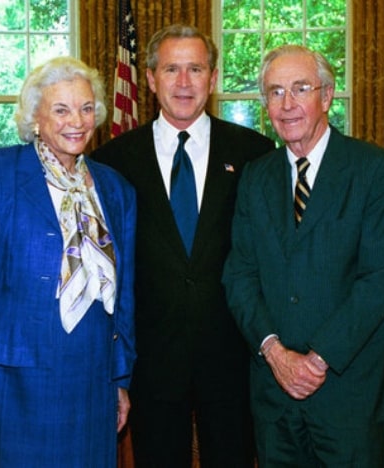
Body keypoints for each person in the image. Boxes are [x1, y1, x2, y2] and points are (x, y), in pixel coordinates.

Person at [91, 24, 274, 468]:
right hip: (152, 362)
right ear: (150, 79)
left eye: (196, 68)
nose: (184, 82)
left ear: (213, 79)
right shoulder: (112, 161)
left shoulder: (255, 153)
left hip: (233, 357)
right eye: (171, 69)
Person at [0, 56, 137, 467]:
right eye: (61, 109)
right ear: (35, 117)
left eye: (86, 108)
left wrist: (120, 380)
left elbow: (125, 297)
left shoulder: (115, 189)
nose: (77, 121)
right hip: (13, 385)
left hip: (91, 379)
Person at [222, 44, 384, 467]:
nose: (286, 105)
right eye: (274, 92)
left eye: (300, 89)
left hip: (350, 392)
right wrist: (275, 353)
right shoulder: (255, 176)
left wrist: (317, 360)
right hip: (274, 394)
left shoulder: (374, 169)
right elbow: (240, 274)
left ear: (326, 95)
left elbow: (379, 278)